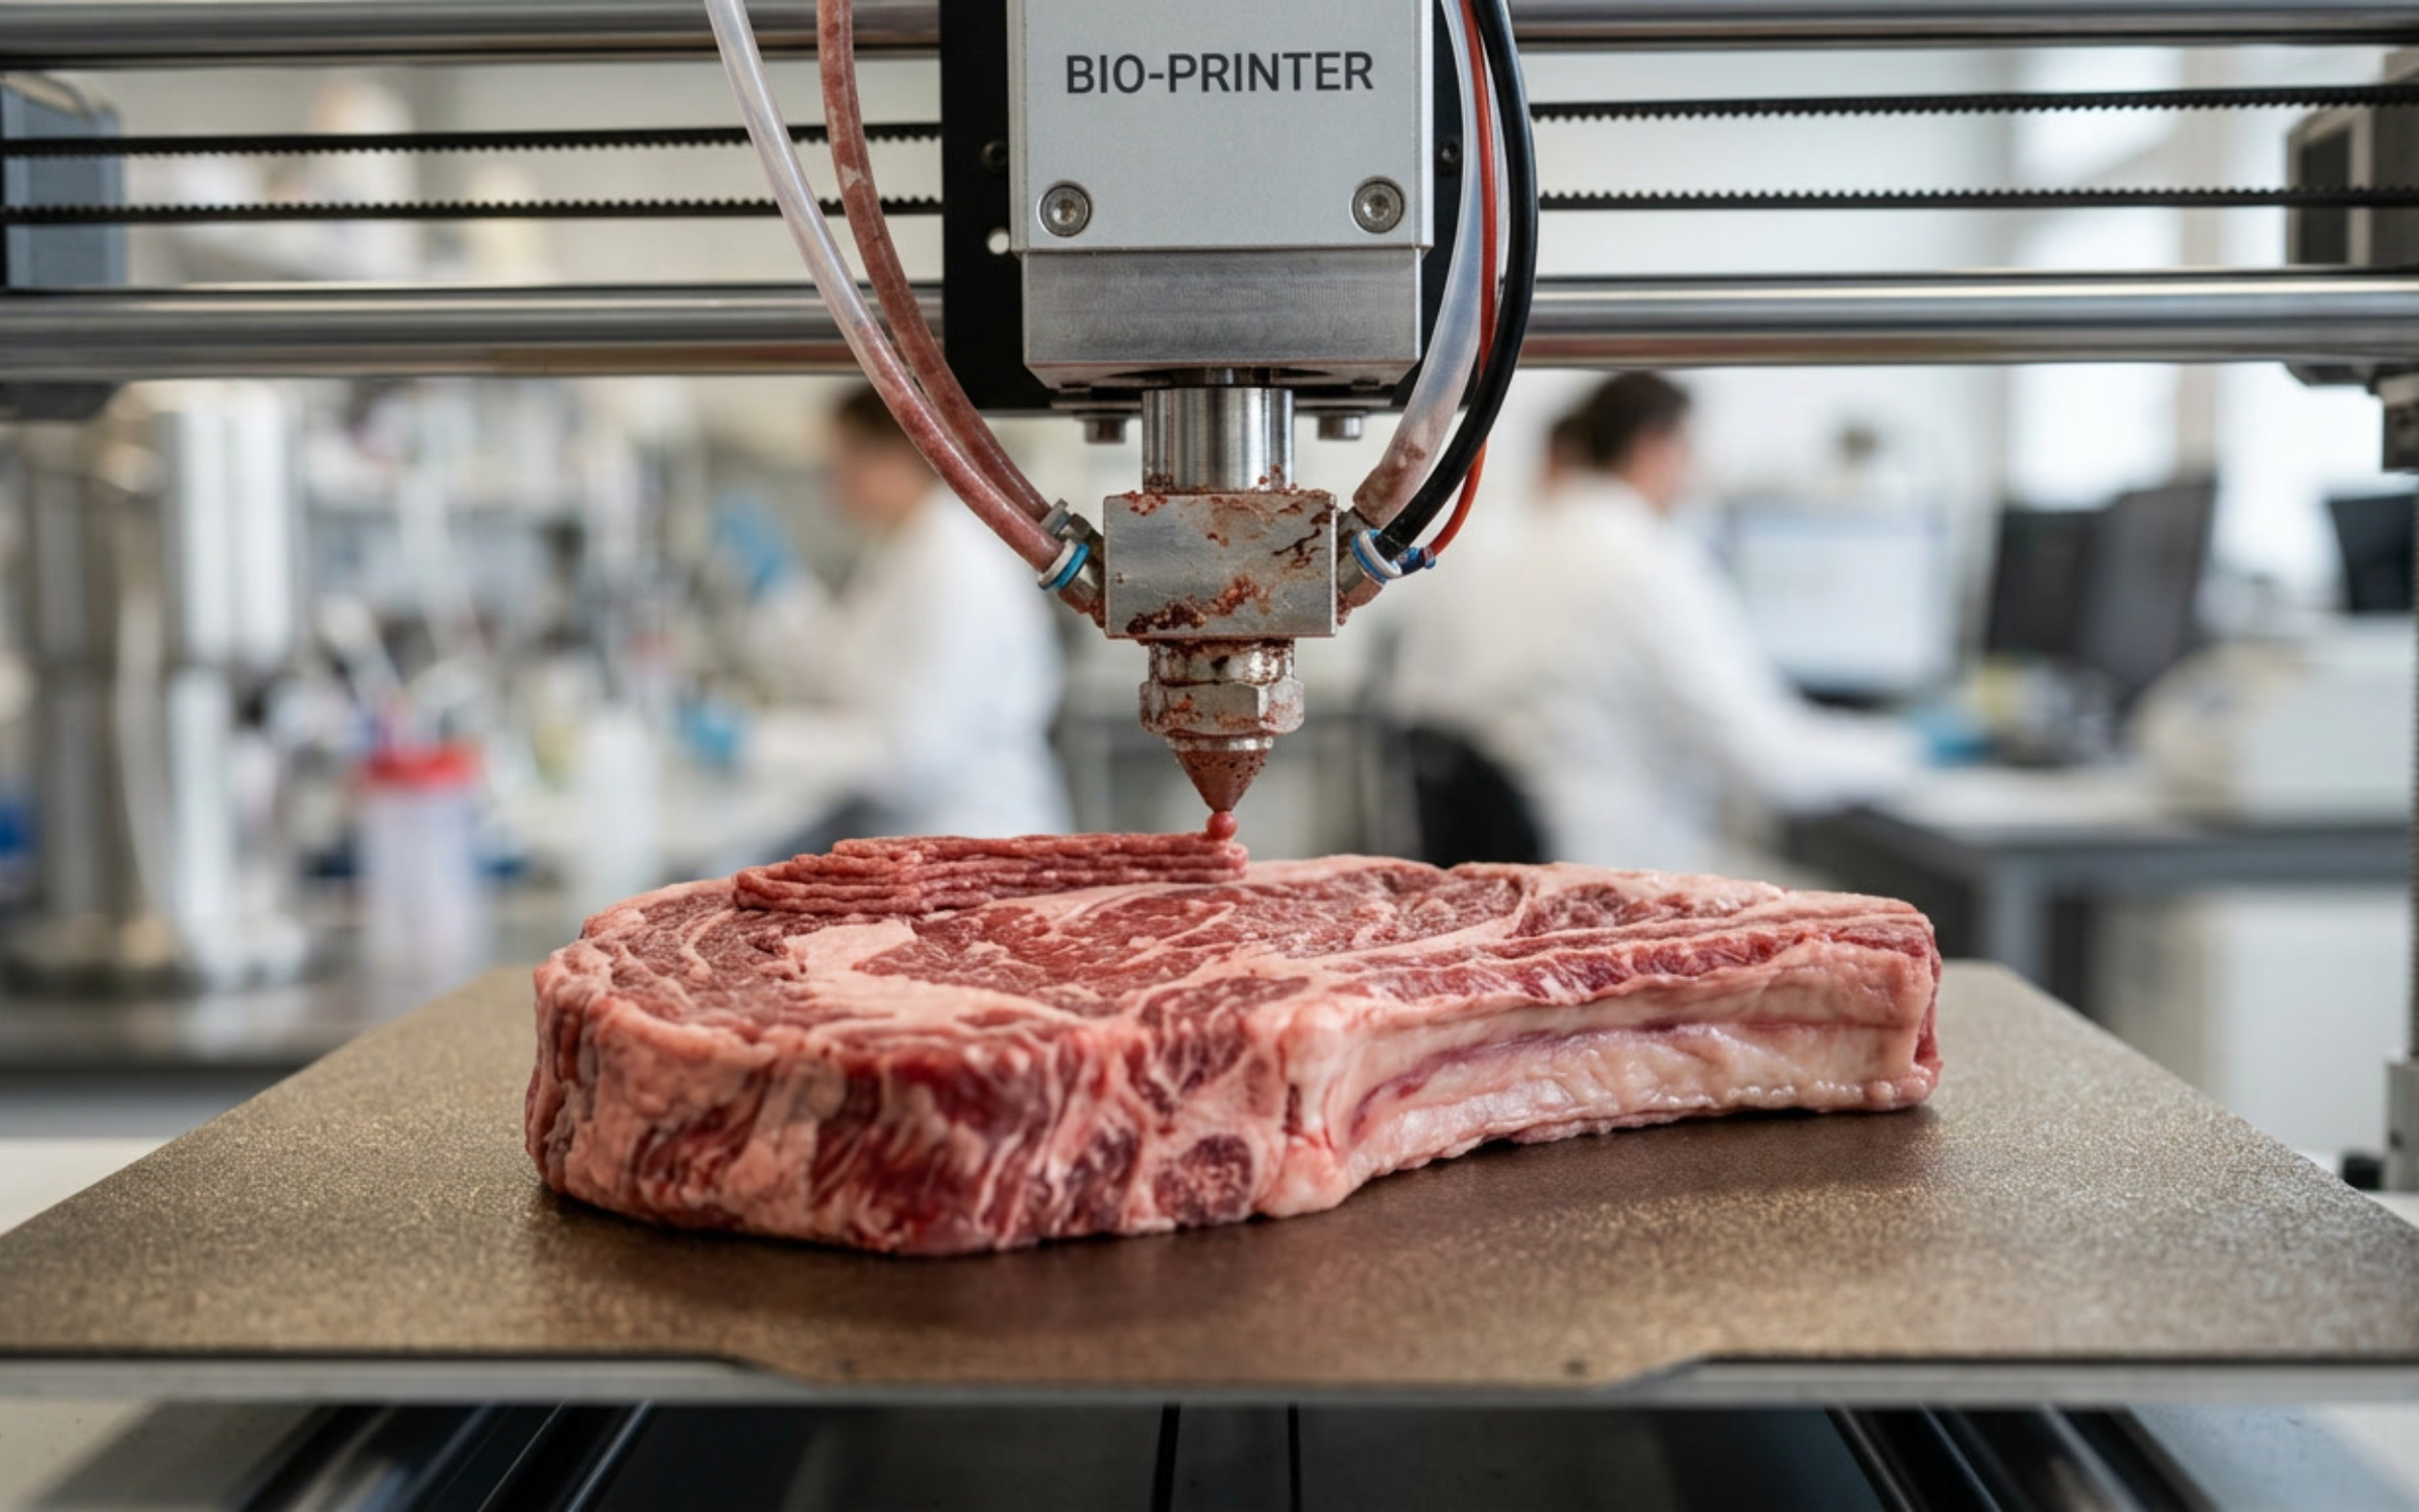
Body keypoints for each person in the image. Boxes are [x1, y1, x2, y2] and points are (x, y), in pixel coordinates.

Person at [1384, 374, 1919, 875]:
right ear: (1653, 447)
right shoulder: (1650, 561)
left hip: (1521, 861)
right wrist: (1905, 746)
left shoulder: (1515, 546)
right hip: (1612, 872)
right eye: (1689, 452)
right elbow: (1772, 762)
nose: (1696, 476)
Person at [722, 385, 1070, 839]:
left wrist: (759, 743)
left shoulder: (957, 566)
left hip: (981, 841)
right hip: (929, 841)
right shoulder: (907, 545)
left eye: (843, 461)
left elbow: (913, 757)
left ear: (894, 456)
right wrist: (778, 589)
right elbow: (849, 668)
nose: (833, 481)